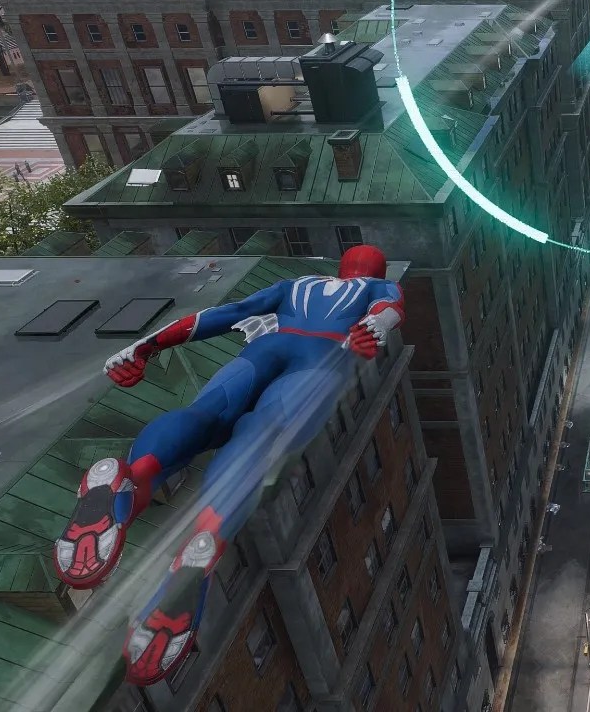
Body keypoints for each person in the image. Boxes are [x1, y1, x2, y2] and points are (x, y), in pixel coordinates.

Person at [51, 245, 404, 685]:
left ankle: (132, 479)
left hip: (266, 348)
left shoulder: (295, 286)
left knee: (206, 415)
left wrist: (145, 346)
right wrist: (376, 324)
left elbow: (222, 314)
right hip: (322, 360)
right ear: (376, 268)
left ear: (341, 265)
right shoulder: (373, 285)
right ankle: (208, 536)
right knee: (262, 433)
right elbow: (390, 307)